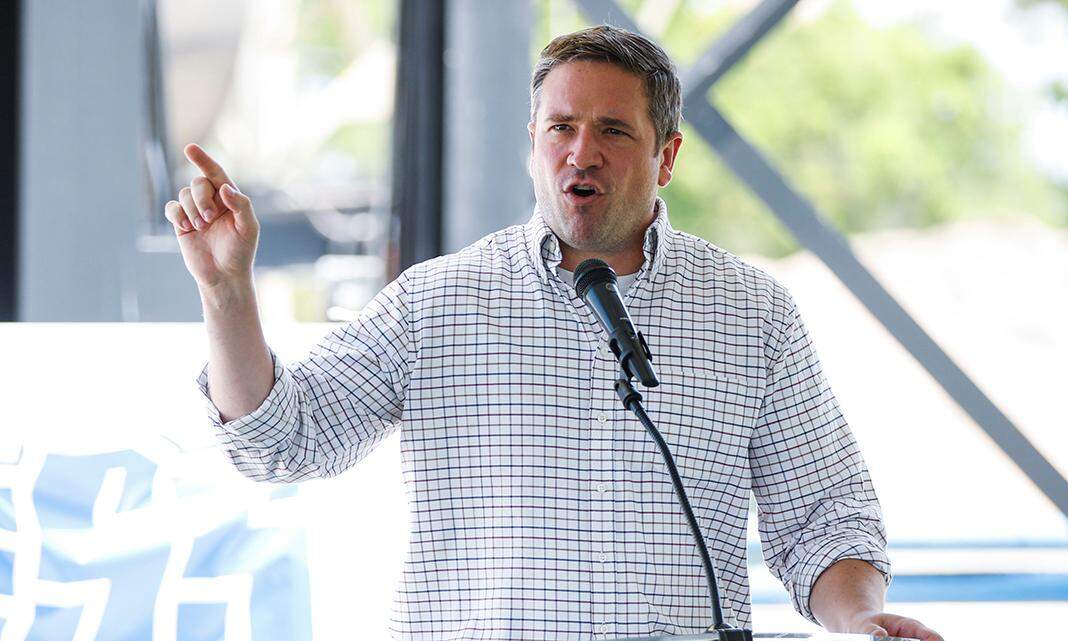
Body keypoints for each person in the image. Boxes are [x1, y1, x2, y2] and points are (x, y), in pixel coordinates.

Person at [167, 25, 943, 641]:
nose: (581, 151)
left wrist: (859, 619)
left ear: (666, 157)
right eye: (561, 127)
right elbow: (279, 439)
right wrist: (227, 291)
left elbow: (825, 517)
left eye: (613, 130)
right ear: (531, 144)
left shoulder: (752, 313)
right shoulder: (434, 303)